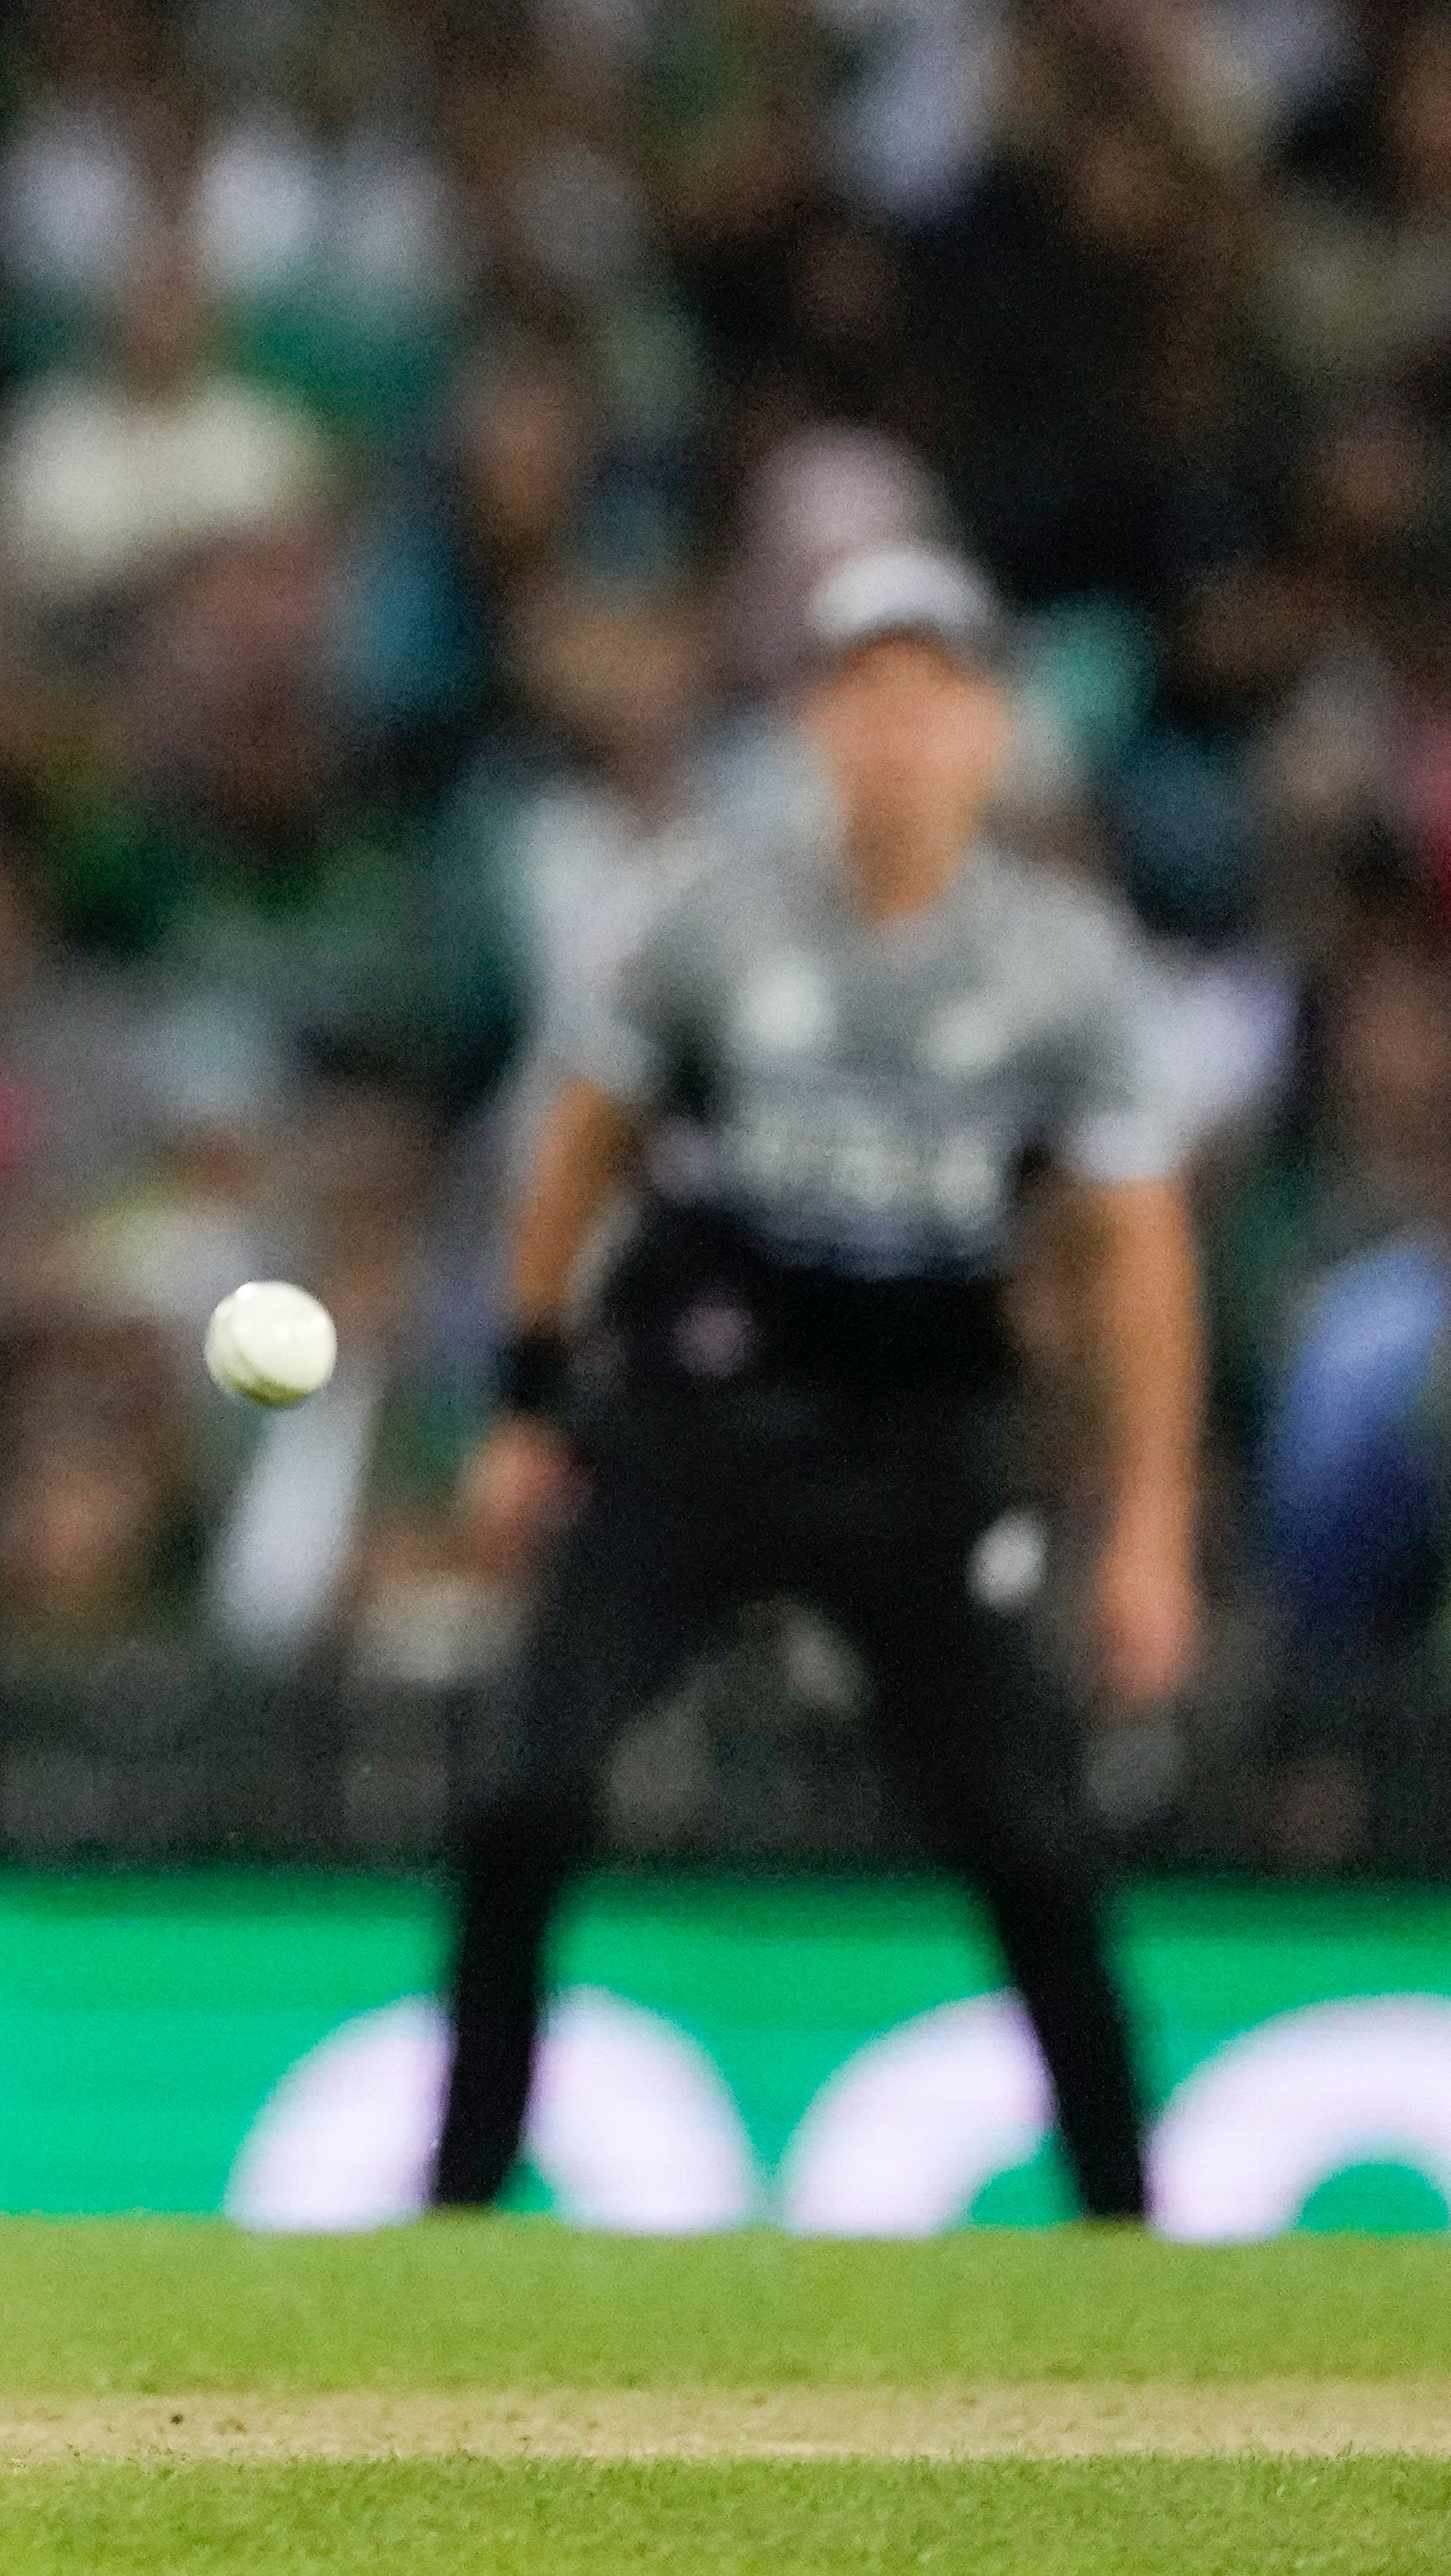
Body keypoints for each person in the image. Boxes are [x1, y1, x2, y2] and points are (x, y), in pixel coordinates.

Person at [435, 542, 1198, 2226]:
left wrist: (1147, 1528)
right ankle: (454, 2206)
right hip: (696, 1423)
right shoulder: (705, 909)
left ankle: (1130, 2222)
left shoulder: (1059, 962)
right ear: (809, 723)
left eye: (931, 693)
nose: (896, 730)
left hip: (918, 1451)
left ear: (991, 730)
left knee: (1029, 1840)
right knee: (523, 1789)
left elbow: (1133, 1259)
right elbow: (573, 1158)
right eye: (860, 690)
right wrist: (522, 1405)